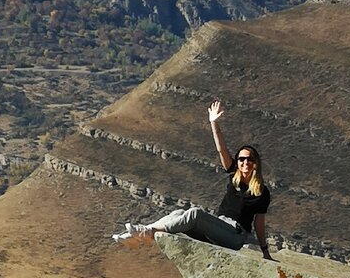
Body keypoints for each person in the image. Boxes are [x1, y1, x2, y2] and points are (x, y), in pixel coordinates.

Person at [112, 99, 273, 260]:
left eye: (250, 159)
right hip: (218, 226)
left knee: (194, 214)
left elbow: (259, 223)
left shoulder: (261, 192)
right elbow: (221, 150)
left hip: (234, 236)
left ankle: (146, 232)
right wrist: (213, 123)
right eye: (241, 159)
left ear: (255, 163)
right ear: (237, 162)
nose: (245, 162)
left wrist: (265, 251)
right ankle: (138, 236)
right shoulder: (234, 176)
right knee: (179, 212)